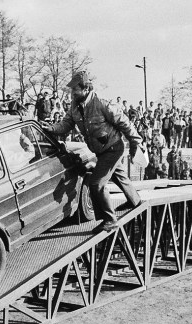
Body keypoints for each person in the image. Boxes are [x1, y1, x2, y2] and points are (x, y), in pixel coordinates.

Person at [42, 71, 142, 232]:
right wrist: (52, 128)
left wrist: (135, 142)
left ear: (86, 88)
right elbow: (66, 124)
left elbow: (125, 123)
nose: (72, 93)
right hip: (100, 150)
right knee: (119, 176)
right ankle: (135, 200)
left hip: (113, 148)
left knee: (96, 183)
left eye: (75, 89)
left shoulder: (102, 103)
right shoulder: (74, 106)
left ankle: (110, 220)